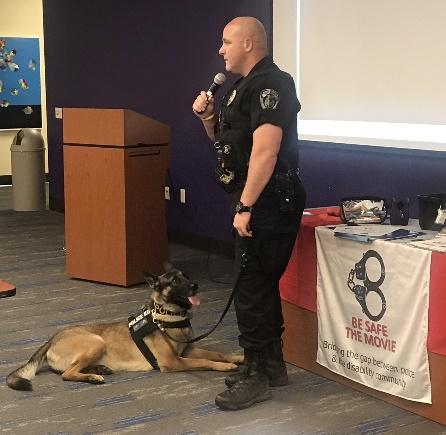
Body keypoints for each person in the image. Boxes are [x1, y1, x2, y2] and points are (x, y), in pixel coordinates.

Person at [192, 16, 306, 410]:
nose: (220, 50)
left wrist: (246, 205)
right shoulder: (241, 88)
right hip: (254, 196)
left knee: (252, 287)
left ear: (249, 44)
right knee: (256, 284)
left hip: (269, 200)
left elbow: (266, 152)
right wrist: (208, 120)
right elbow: (228, 147)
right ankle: (270, 366)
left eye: (226, 42)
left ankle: (257, 375)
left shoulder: (272, 84)